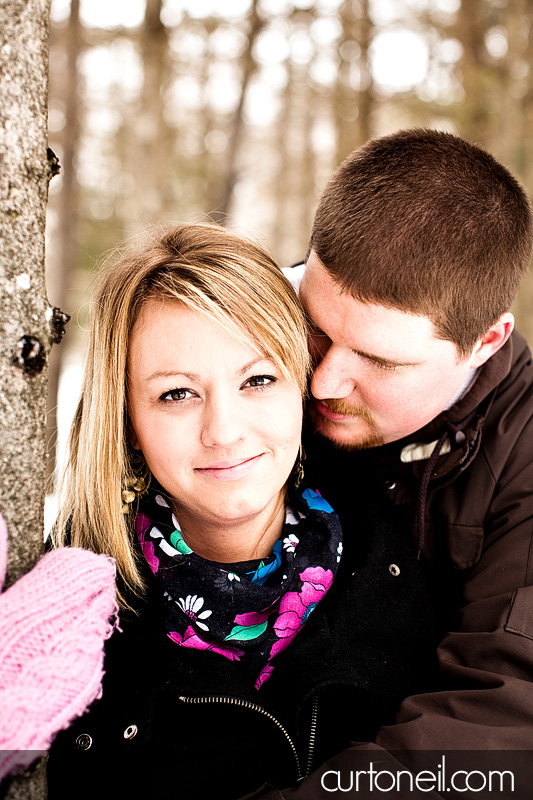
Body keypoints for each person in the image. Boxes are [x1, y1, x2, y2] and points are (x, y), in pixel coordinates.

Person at [45, 223, 437, 799]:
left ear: (302, 391)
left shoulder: (408, 569)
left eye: (257, 379)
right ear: (127, 421)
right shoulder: (61, 618)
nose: (224, 432)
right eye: (177, 393)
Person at [265, 128, 533, 797]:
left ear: (483, 341)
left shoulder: (523, 455)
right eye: (317, 329)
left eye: (379, 361)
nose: (322, 383)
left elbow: (501, 721)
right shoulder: (232, 340)